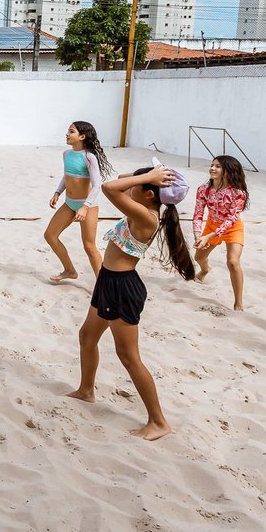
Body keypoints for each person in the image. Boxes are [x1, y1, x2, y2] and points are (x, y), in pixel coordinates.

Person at [66, 161, 196, 441]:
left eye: (141, 184)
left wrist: (150, 177)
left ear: (149, 195)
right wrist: (147, 175)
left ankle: (158, 421)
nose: (132, 185)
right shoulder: (141, 202)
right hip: (108, 280)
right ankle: (86, 390)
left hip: (122, 288)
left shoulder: (146, 216)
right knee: (87, 336)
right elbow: (122, 179)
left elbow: (109, 187)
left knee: (128, 356)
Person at [44, 121, 113, 283]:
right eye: (68, 131)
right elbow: (67, 176)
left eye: (71, 131)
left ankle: (103, 286)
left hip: (87, 205)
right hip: (69, 203)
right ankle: (69, 270)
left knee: (89, 246)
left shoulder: (89, 157)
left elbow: (96, 185)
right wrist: (57, 192)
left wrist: (85, 207)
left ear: (82, 136)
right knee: (50, 236)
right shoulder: (66, 154)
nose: (67, 134)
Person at [193, 155, 249, 311]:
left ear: (229, 170)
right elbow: (198, 214)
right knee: (199, 257)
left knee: (233, 262)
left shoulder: (238, 193)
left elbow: (232, 219)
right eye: (212, 165)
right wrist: (198, 236)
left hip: (232, 228)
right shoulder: (203, 189)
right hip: (211, 225)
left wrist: (208, 237)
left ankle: (238, 303)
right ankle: (205, 270)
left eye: (218, 166)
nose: (212, 168)